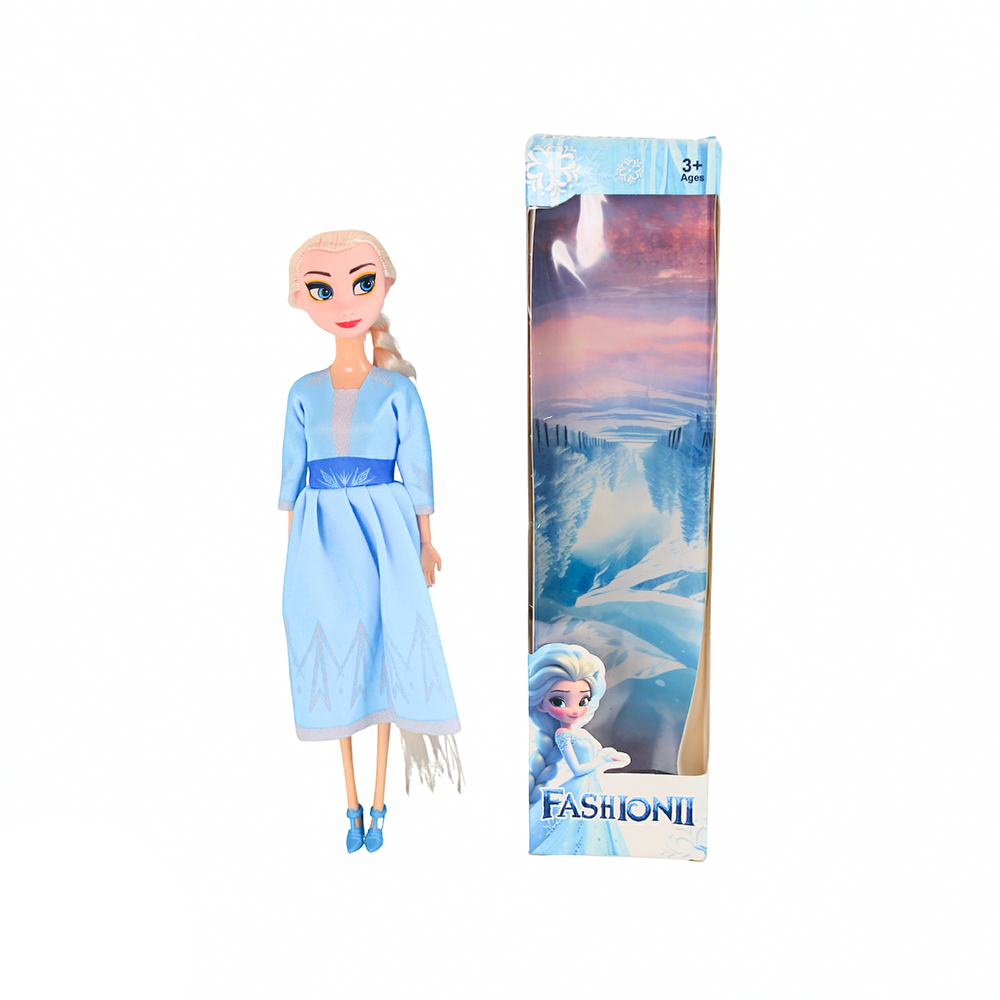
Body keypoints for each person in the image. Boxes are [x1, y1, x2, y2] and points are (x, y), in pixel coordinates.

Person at [280, 230, 460, 853]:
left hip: (385, 525)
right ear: (301, 298)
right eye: (322, 290)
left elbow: (419, 467)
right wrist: (295, 550)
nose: (344, 302)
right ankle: (350, 799)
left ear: (384, 284)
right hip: (322, 533)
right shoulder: (303, 392)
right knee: (334, 642)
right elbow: (292, 474)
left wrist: (427, 540)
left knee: (384, 640)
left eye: (361, 284)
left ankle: (378, 801)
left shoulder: (397, 390)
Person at [528, 643, 631, 856]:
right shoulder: (562, 734)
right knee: (576, 830)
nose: (574, 710)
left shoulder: (581, 733)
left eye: (583, 700)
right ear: (541, 704)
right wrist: (601, 760)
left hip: (593, 786)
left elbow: (597, 753)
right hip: (580, 789)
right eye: (559, 701)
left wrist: (610, 756)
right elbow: (577, 769)